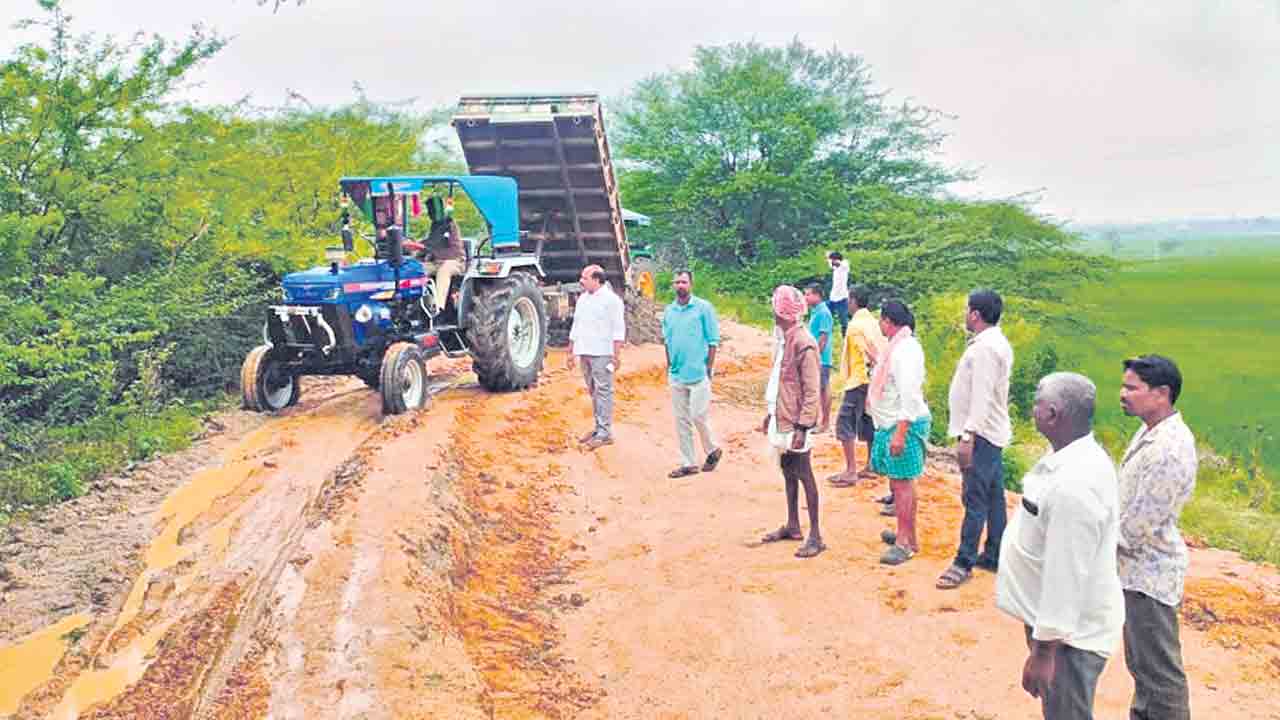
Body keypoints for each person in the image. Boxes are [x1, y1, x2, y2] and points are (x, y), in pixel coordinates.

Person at [996, 372, 1124, 720]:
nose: (1031, 407)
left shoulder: (1075, 484)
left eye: (1037, 401)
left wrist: (1044, 653)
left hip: (1070, 641)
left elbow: (1065, 573)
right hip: (1063, 634)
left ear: (1052, 415)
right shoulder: (1071, 459)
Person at [1117, 355, 1196, 720]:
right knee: (1143, 667)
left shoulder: (1169, 450)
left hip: (1148, 575)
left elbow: (1137, 529)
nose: (1123, 394)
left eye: (1132, 388)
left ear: (1162, 393)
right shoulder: (1150, 431)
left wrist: (1090, 538)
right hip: (1134, 572)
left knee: (1160, 677)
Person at [938, 289, 1015, 589]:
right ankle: (995, 552)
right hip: (990, 431)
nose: (965, 315)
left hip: (981, 433)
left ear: (975, 314)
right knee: (994, 495)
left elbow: (981, 396)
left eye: (967, 309)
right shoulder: (993, 343)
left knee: (975, 497)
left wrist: (968, 434)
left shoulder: (985, 348)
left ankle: (963, 561)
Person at [758, 285, 825, 558]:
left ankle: (816, 535)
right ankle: (794, 525)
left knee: (804, 472)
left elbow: (811, 390)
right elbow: (781, 382)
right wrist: (771, 413)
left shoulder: (804, 343)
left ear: (783, 313)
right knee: (788, 469)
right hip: (783, 416)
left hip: (797, 421)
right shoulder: (786, 339)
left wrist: (803, 426)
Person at [868, 300, 930, 565]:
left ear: (889, 322)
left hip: (901, 423)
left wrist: (900, 432)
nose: (880, 325)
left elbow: (910, 394)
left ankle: (906, 543)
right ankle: (906, 535)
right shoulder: (896, 347)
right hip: (891, 422)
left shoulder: (906, 350)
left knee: (903, 483)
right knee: (897, 481)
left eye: (881, 320)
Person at [662, 270, 723, 478]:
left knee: (698, 415)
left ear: (691, 284)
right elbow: (667, 341)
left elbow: (713, 340)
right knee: (681, 420)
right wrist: (669, 365)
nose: (680, 285)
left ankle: (713, 449)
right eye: (677, 282)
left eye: (684, 282)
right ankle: (688, 463)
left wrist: (709, 368)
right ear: (673, 285)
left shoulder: (703, 308)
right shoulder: (669, 311)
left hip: (699, 373)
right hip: (677, 374)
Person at [827, 285, 885, 487]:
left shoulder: (855, 325)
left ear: (852, 301)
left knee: (846, 421)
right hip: (872, 379)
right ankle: (871, 464)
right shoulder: (872, 322)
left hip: (859, 379)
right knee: (868, 420)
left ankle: (851, 470)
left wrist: (867, 374)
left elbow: (866, 352)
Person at [566, 265, 626, 450]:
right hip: (585, 351)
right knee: (593, 390)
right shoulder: (583, 299)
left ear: (597, 280)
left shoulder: (612, 301)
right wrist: (571, 351)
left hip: (602, 352)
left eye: (585, 278)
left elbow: (618, 329)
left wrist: (616, 355)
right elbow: (576, 325)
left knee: (603, 391)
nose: (581, 281)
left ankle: (605, 432)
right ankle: (598, 427)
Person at [803, 284, 835, 433]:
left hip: (821, 358)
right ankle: (816, 421)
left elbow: (823, 338)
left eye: (808, 294)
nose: (806, 297)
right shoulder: (816, 312)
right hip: (818, 357)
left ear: (817, 295)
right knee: (818, 388)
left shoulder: (823, 313)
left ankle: (824, 423)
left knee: (821, 389)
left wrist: (815, 357)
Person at [826, 251, 850, 334]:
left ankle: (845, 336)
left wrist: (832, 259)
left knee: (843, 320)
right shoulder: (835, 269)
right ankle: (827, 331)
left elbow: (841, 263)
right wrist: (828, 257)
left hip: (842, 298)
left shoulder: (845, 266)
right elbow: (831, 263)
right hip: (833, 298)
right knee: (827, 316)